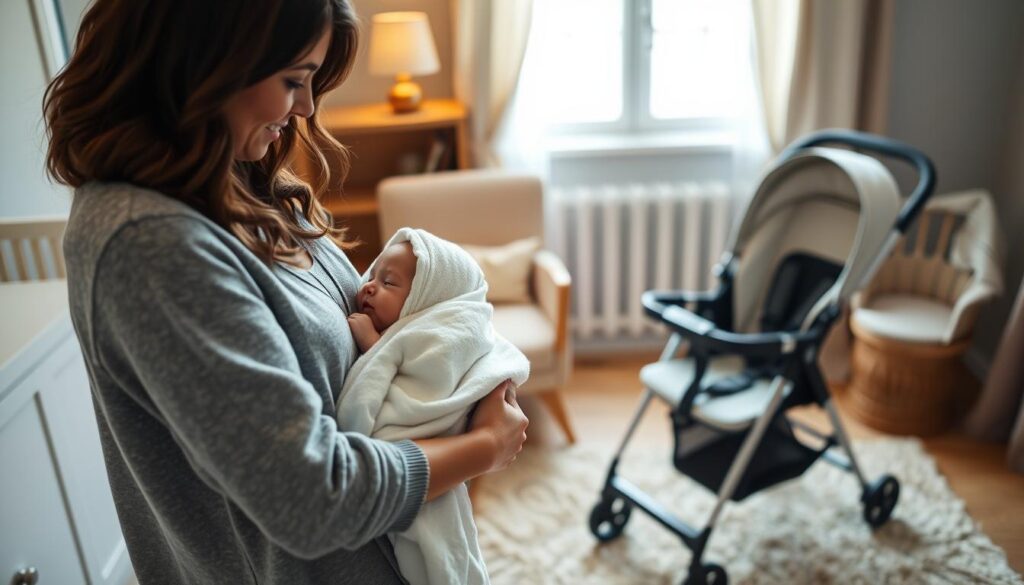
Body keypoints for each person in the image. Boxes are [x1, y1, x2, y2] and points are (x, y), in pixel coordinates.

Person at [42, 1, 528, 584]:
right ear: (207, 64)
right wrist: (482, 449)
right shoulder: (149, 245)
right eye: (293, 80)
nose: (308, 107)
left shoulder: (245, 179)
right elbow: (312, 497)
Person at [338, 227, 530, 585]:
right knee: (442, 549)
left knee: (440, 545)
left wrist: (374, 345)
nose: (368, 286)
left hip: (418, 456)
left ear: (425, 300)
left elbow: (425, 384)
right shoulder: (408, 333)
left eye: (389, 283)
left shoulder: (440, 335)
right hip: (407, 473)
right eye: (373, 275)